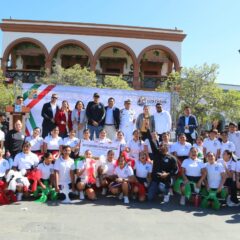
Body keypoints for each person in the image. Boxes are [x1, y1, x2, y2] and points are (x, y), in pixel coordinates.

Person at [146, 129, 178, 203]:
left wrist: (167, 174)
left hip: (166, 180)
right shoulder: (156, 153)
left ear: (167, 148)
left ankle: (166, 193)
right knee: (149, 197)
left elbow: (175, 170)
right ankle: (158, 192)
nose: (162, 147)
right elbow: (151, 141)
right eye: (161, 146)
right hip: (155, 179)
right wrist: (148, 129)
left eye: (164, 146)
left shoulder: (172, 158)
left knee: (162, 187)